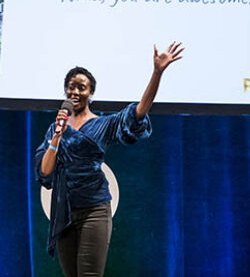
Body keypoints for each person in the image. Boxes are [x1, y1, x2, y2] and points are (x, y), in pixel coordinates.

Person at [34, 42, 185, 277]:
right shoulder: (56, 127)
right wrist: (56, 136)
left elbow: (137, 114)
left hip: (94, 210)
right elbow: (45, 172)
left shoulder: (102, 124)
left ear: (91, 93)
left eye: (81, 87)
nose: (75, 92)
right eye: (71, 87)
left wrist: (157, 73)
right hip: (64, 212)